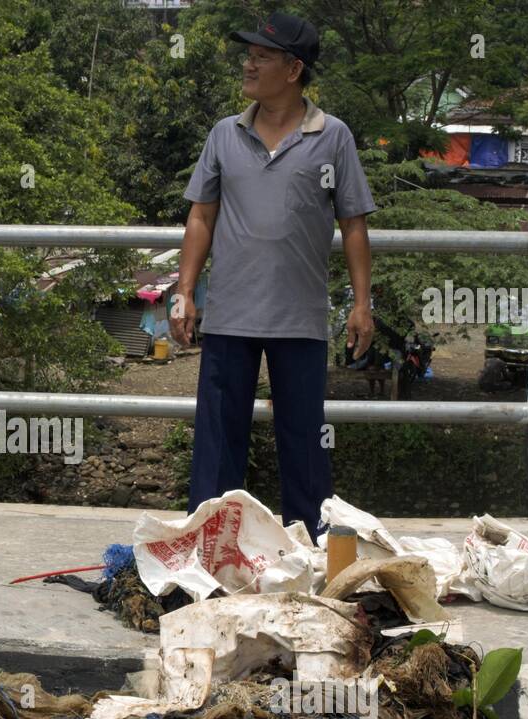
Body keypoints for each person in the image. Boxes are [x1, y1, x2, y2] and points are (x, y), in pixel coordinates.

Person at [169, 10, 376, 541]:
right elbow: (201, 215)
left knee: (304, 442)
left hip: (300, 319)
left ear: (294, 69)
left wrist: (361, 305)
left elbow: (352, 223)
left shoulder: (333, 138)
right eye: (249, 54)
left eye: (262, 56)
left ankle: (306, 551)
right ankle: (209, 547)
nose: (249, 64)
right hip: (231, 315)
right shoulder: (225, 134)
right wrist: (185, 292)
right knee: (217, 443)